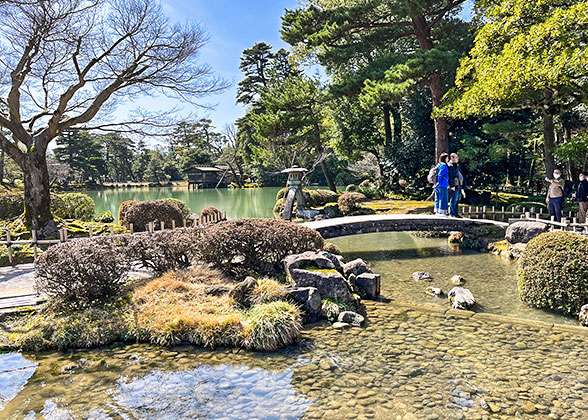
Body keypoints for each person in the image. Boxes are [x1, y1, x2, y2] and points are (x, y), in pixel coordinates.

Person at [447, 153, 466, 218]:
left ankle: (456, 213)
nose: (457, 159)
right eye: (456, 157)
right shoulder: (450, 166)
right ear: (452, 158)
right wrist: (452, 186)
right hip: (454, 185)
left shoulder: (456, 165)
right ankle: (452, 213)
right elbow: (451, 177)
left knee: (457, 199)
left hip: (459, 185)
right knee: (454, 199)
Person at [434, 153, 449, 217]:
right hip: (442, 184)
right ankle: (442, 212)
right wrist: (438, 181)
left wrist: (436, 182)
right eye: (447, 158)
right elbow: (440, 174)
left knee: (437, 198)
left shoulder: (438, 165)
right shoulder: (444, 165)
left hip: (436, 185)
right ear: (445, 158)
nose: (448, 159)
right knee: (443, 198)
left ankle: (437, 211)